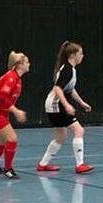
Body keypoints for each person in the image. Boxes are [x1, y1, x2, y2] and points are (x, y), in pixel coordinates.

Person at [37, 41, 94, 174]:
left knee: (61, 137)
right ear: (73, 55)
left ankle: (43, 164)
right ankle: (80, 165)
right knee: (79, 131)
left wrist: (81, 102)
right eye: (80, 53)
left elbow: (70, 89)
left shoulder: (70, 69)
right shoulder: (67, 69)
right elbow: (57, 89)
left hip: (53, 105)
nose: (82, 56)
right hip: (56, 105)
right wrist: (67, 105)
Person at [0, 51, 30, 179]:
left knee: (3, 140)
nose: (29, 64)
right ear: (19, 64)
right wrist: (16, 111)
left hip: (1, 112)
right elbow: (2, 97)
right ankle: (8, 169)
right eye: (27, 62)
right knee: (12, 138)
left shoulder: (17, 79)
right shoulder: (11, 77)